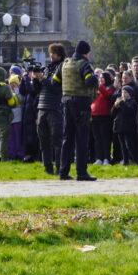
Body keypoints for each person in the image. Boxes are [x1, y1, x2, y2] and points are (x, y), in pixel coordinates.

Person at [60, 40, 98, 181]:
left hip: (66, 101)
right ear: (86, 53)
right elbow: (89, 81)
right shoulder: (84, 64)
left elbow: (55, 81)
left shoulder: (65, 63)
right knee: (81, 139)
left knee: (67, 138)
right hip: (81, 103)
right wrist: (95, 78)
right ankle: (81, 172)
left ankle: (63, 172)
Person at [37, 43, 66, 174]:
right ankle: (47, 168)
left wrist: (42, 79)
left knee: (57, 139)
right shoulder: (47, 68)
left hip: (54, 107)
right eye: (50, 52)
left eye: (53, 53)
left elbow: (55, 88)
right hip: (42, 107)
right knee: (43, 140)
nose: (51, 55)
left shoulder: (62, 68)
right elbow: (35, 90)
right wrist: (35, 80)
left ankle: (60, 167)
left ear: (59, 54)